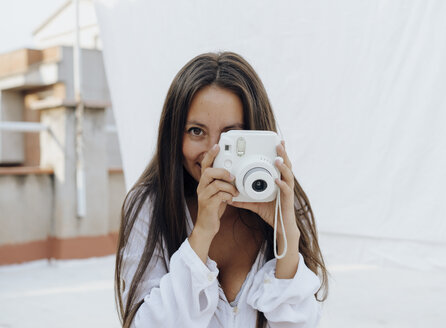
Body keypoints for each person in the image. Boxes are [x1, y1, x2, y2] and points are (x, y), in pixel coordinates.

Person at [115, 52, 328, 327]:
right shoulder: (148, 206)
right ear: (173, 135)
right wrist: (202, 233)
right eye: (195, 131)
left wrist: (286, 241)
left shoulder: (281, 199)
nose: (213, 154)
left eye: (230, 137)